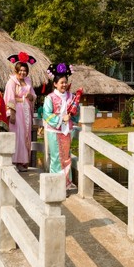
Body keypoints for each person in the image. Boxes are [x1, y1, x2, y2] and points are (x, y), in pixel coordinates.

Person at [43, 62, 79, 190]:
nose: (64, 85)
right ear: (55, 84)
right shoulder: (50, 98)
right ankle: (55, 184)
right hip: (54, 131)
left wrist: (73, 113)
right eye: (61, 82)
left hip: (67, 131)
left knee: (66, 157)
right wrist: (61, 119)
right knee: (56, 157)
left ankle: (66, 183)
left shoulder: (72, 97)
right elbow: (46, 115)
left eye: (65, 82)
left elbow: (76, 115)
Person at [4, 52, 37, 173]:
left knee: (25, 135)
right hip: (16, 110)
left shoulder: (28, 82)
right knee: (16, 134)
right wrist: (11, 113)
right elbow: (9, 98)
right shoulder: (11, 82)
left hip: (26, 110)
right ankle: (13, 161)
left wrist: (30, 96)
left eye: (25, 70)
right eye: (21, 70)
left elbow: (33, 96)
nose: (22, 72)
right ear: (16, 70)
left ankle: (21, 162)